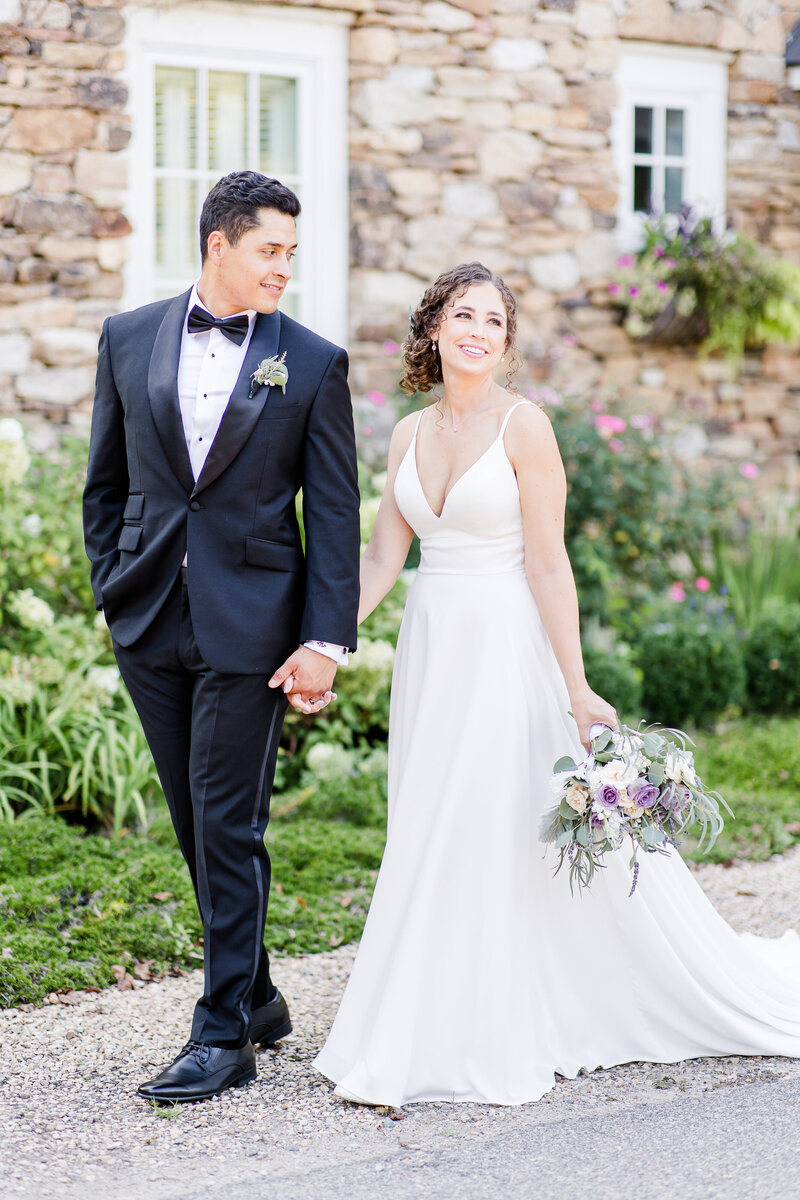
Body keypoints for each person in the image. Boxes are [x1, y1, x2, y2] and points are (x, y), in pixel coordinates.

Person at [314, 261, 800, 1107]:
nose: (476, 331)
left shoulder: (525, 427)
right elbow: (386, 557)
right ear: (433, 329)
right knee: (432, 817)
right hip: (434, 646)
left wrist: (576, 687)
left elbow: (547, 560)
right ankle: (425, 1013)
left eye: (493, 322)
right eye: (462, 315)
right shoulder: (406, 434)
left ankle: (490, 1022)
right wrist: (324, 640)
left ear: (505, 344)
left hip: (504, 646)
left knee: (489, 817)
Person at [83, 171, 360, 1102]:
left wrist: (327, 637)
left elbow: (333, 510)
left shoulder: (312, 362)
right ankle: (261, 996)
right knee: (196, 821)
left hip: (255, 630)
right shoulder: (127, 338)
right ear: (218, 246)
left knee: (229, 822)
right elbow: (106, 481)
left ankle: (224, 1034)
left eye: (291, 252)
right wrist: (109, 591)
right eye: (269, 250)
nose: (285, 268)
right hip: (149, 615)